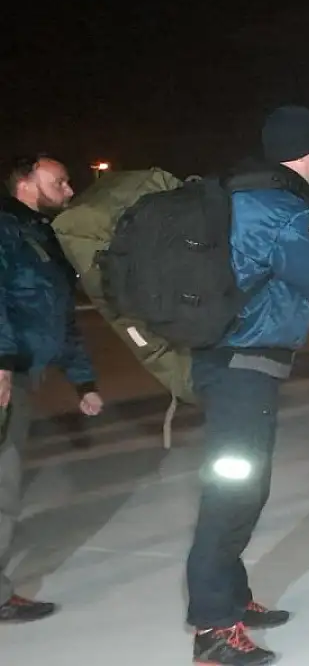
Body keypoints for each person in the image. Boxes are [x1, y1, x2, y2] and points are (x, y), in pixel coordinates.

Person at [186, 106, 309, 666]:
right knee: (232, 493)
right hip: (245, 366)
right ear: (305, 151)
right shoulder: (282, 211)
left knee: (238, 486)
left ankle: (233, 599)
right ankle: (214, 629)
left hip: (222, 358)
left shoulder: (239, 197)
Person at [0, 155, 103, 624]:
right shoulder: (7, 228)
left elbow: (59, 315)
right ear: (25, 182)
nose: (68, 189)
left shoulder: (42, 235)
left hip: (21, 372)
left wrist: (83, 380)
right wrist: (2, 363)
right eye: (58, 181)